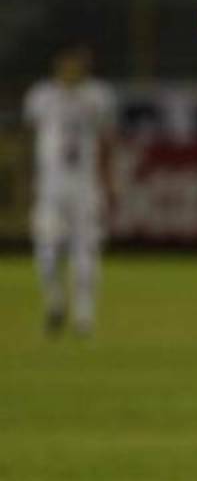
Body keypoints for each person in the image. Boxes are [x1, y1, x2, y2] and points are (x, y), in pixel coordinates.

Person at [22, 43, 118, 338]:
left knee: (85, 251)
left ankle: (84, 316)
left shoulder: (98, 96)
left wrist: (108, 180)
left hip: (85, 185)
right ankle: (55, 302)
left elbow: (105, 142)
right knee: (46, 251)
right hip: (51, 186)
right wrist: (30, 179)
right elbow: (31, 141)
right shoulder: (41, 97)